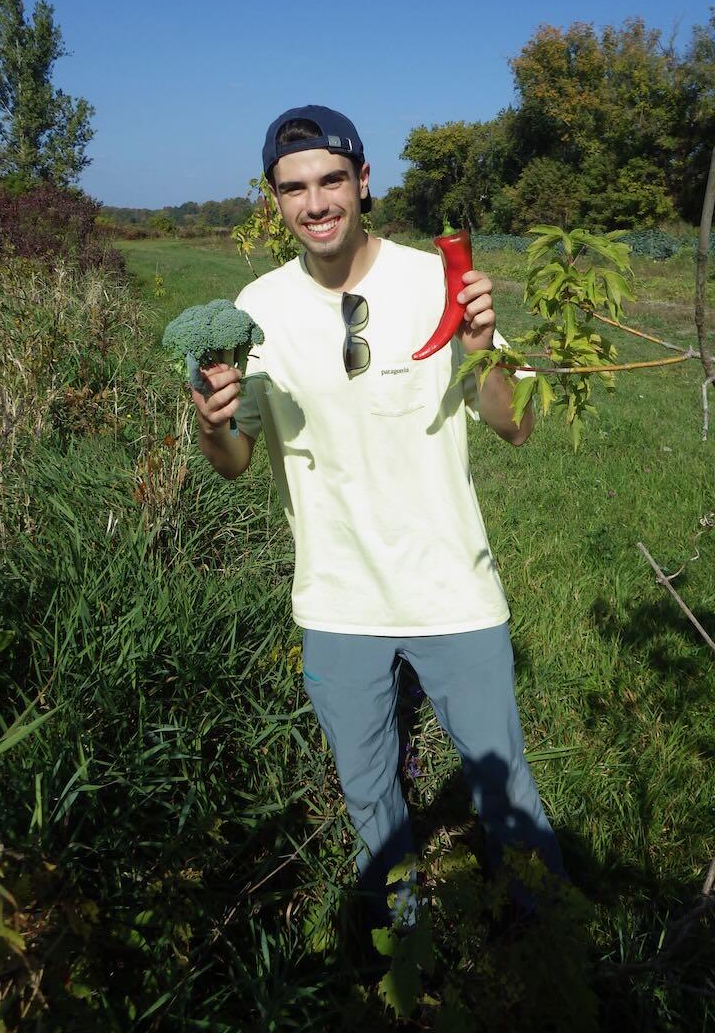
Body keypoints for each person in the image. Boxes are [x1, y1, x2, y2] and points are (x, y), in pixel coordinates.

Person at [192, 105, 565, 925]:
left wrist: (483, 350)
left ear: (363, 183)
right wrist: (212, 422)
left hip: (452, 590)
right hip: (337, 600)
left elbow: (515, 424)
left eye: (331, 180)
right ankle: (404, 964)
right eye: (294, 189)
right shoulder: (256, 311)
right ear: (276, 201)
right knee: (372, 810)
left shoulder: (437, 280)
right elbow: (236, 463)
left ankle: (552, 957)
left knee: (509, 803)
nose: (315, 203)